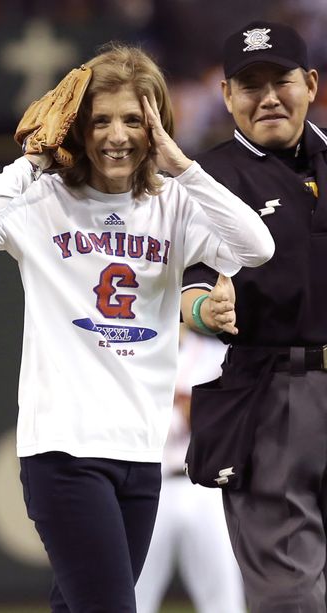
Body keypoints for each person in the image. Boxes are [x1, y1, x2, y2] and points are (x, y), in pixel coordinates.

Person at [0, 43, 274, 613]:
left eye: (134, 120)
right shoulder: (43, 199)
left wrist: (184, 167)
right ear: (76, 128)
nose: (116, 135)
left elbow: (256, 246)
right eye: (99, 120)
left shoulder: (174, 204)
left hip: (140, 452)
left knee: (78, 606)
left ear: (156, 127)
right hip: (65, 451)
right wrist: (32, 163)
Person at [181, 20, 327, 613]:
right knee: (288, 590)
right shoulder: (210, 178)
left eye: (280, 80)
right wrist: (205, 310)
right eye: (250, 84)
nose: (267, 97)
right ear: (227, 97)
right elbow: (187, 288)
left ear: (310, 84)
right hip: (273, 392)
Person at [135, 325, 246, 613]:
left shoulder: (217, 356)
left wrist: (189, 409)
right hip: (149, 486)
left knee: (223, 599)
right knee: (132, 597)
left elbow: (231, 423)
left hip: (205, 488)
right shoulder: (133, 352)